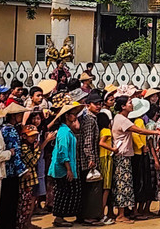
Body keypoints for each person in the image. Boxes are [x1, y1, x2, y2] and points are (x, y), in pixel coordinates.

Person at [110, 95, 160, 224]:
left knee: (125, 184)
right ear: (123, 106)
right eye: (129, 102)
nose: (131, 104)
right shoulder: (122, 119)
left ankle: (123, 212)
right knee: (123, 184)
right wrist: (157, 133)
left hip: (124, 155)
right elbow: (138, 131)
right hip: (122, 155)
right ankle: (121, 214)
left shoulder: (121, 118)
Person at [49, 103, 85, 227]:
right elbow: (63, 151)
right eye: (73, 114)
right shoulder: (64, 132)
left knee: (66, 192)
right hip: (63, 168)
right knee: (63, 192)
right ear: (67, 116)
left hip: (66, 166)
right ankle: (59, 217)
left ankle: (61, 216)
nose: (75, 117)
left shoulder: (67, 131)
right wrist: (68, 169)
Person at [0, 102, 27, 229]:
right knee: (10, 201)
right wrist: (23, 170)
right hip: (11, 171)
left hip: (5, 170)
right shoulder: (11, 131)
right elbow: (15, 153)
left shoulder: (3, 128)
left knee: (4, 200)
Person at [77, 91, 103, 225]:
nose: (98, 106)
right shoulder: (89, 120)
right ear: (88, 105)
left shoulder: (91, 118)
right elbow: (88, 141)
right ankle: (89, 216)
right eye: (96, 104)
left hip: (86, 159)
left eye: (100, 104)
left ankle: (86, 215)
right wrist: (91, 158)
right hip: (87, 161)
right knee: (91, 189)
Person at [18, 125, 41, 229]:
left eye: (35, 136)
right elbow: (33, 162)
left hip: (31, 180)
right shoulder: (24, 148)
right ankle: (24, 224)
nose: (34, 138)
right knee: (25, 205)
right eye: (31, 136)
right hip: (26, 182)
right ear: (24, 136)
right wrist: (37, 150)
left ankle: (27, 223)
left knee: (30, 203)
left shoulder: (29, 147)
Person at [97, 112, 116, 225]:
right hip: (106, 158)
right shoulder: (106, 131)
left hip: (102, 157)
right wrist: (113, 149)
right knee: (106, 187)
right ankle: (101, 213)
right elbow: (101, 143)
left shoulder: (100, 130)